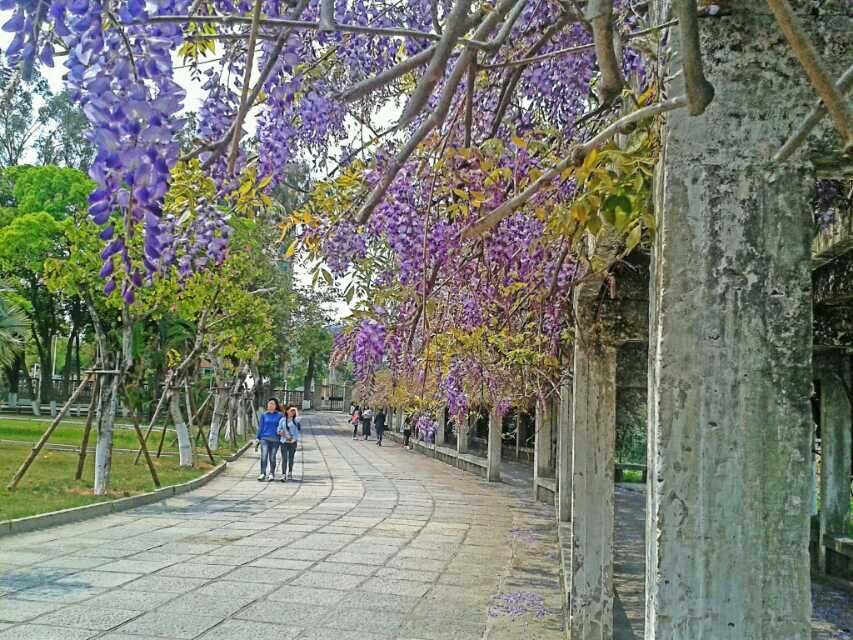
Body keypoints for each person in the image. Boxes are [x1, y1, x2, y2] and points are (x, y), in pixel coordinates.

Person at [255, 398, 283, 481]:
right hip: (265, 438)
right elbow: (261, 427)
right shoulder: (264, 415)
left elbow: (282, 426)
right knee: (264, 455)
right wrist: (257, 437)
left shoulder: (280, 415)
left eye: (272, 404)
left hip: (275, 439)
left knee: (272, 457)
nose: (271, 405)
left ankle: (271, 473)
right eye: (269, 403)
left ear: (276, 406)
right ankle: (262, 473)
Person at [278, 406, 301, 481]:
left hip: (292, 442)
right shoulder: (282, 420)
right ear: (287, 411)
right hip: (284, 441)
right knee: (284, 458)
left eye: (294, 411)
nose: (292, 412)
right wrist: (280, 432)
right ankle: (283, 474)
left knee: (291, 458)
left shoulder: (296, 421)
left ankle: (290, 472)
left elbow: (297, 432)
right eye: (291, 410)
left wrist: (293, 439)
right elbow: (278, 429)